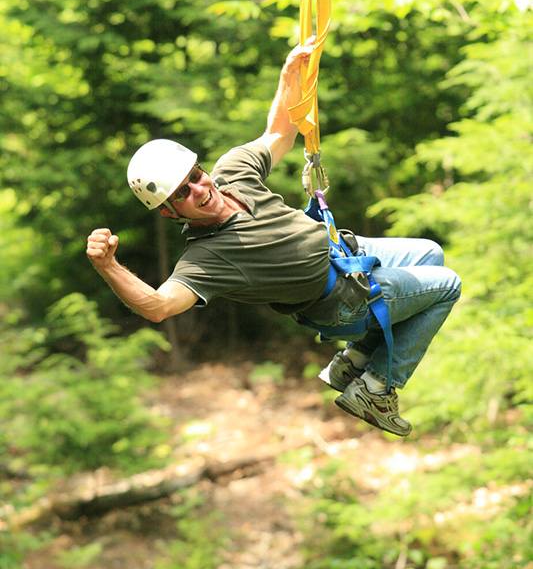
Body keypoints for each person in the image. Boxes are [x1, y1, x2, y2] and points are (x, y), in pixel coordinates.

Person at [87, 40, 461, 437]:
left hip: (344, 253)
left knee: (431, 253)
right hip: (343, 300)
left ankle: (356, 359)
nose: (198, 189)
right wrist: (108, 266)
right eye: (182, 194)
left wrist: (288, 77)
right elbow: (158, 306)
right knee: (448, 285)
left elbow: (279, 133)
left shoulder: (233, 172)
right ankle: (377, 387)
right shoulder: (207, 259)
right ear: (169, 211)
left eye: (195, 176)